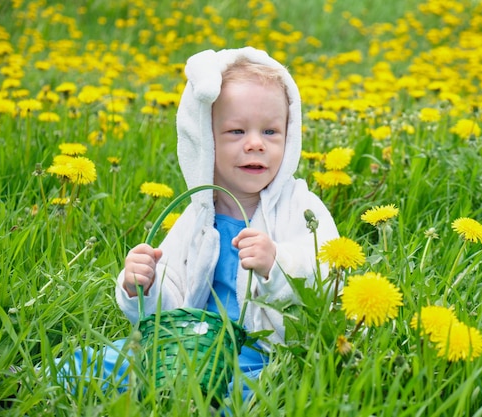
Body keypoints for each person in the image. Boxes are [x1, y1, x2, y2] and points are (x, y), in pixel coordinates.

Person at [114, 47, 339, 400]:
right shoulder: (198, 214)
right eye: (236, 132)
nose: (255, 144)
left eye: (270, 131)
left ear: (289, 136)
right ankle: (23, 380)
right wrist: (142, 285)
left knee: (249, 394)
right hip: (189, 345)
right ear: (205, 142)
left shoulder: (301, 206)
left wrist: (275, 264)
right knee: (111, 360)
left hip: (259, 351)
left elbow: (329, 273)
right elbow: (170, 301)